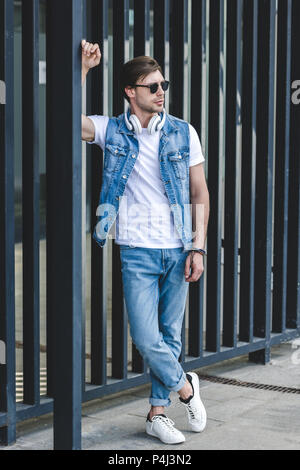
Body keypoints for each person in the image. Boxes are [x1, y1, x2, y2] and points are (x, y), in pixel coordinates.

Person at [81, 39, 210, 445]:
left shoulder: (182, 132)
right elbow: (68, 121)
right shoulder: (111, 129)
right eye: (151, 86)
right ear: (129, 92)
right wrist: (83, 71)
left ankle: (158, 413)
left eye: (163, 85)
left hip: (177, 247)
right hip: (135, 248)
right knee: (145, 336)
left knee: (169, 336)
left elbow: (200, 193)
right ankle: (184, 386)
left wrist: (198, 246)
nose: (160, 93)